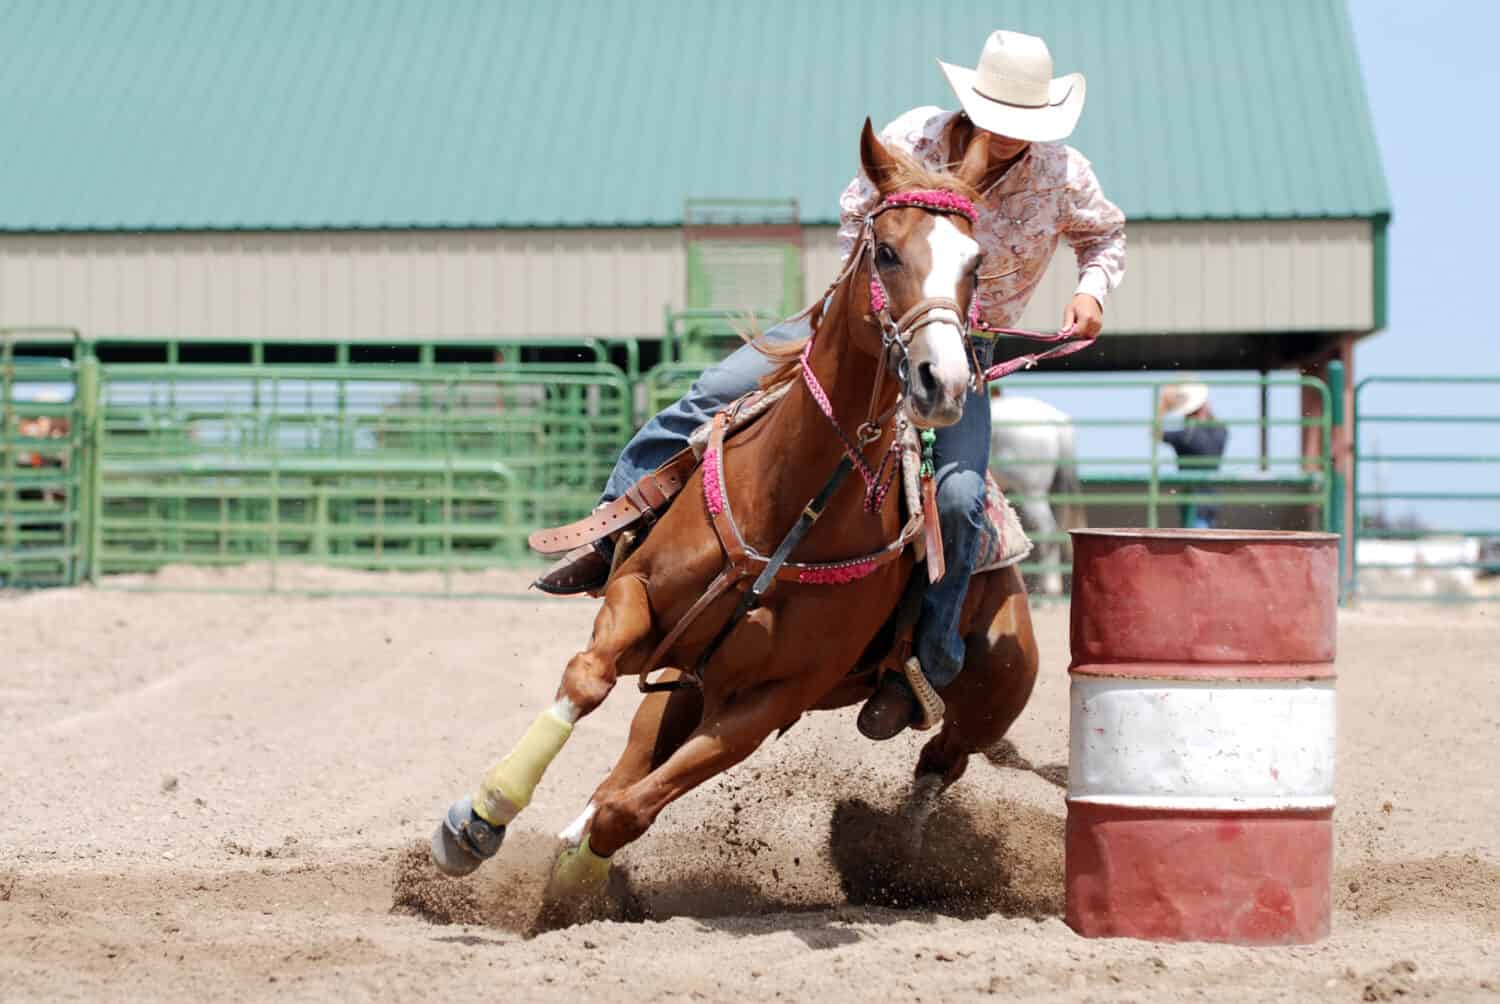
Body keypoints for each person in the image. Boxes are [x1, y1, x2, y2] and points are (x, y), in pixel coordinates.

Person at [535, 30, 1127, 740]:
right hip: (856, 325)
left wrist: (1093, 290)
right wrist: (870, 308)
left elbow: (1104, 237)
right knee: (712, 391)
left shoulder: (1063, 175)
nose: (1009, 135)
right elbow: (857, 211)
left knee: (963, 498)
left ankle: (926, 663)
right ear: (974, 104)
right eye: (1000, 116)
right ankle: (614, 529)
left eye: (1023, 122)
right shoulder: (914, 137)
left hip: (959, 348)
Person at [1157, 380, 1229, 528]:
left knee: (1193, 544)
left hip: (1192, 502)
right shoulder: (1221, 432)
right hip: (1211, 499)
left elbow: (1156, 432)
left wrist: (1163, 407)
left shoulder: (1186, 437)